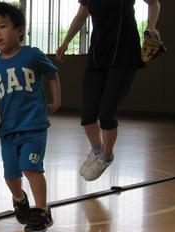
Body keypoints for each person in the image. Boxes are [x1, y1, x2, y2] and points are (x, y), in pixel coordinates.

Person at [56, 0, 161, 181]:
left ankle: (106, 156)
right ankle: (96, 150)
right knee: (88, 112)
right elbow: (81, 16)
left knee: (106, 112)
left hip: (125, 53)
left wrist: (151, 27)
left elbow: (153, 3)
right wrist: (65, 43)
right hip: (98, 53)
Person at [0, 2, 61, 232]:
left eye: (2, 26)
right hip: (8, 130)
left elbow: (52, 75)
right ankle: (19, 199)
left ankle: (42, 211)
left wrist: (56, 101)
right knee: (11, 174)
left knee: (31, 167)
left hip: (34, 126)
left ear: (19, 30)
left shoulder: (32, 55)